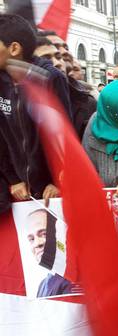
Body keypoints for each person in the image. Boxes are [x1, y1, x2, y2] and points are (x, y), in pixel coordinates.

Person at [0, 14, 61, 202]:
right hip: (19, 192)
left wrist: (56, 179)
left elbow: (61, 135)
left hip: (51, 191)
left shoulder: (50, 78)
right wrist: (14, 179)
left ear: (14, 48)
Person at [25, 209, 74, 297]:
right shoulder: (42, 285)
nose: (37, 243)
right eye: (32, 239)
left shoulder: (73, 277)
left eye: (44, 234)